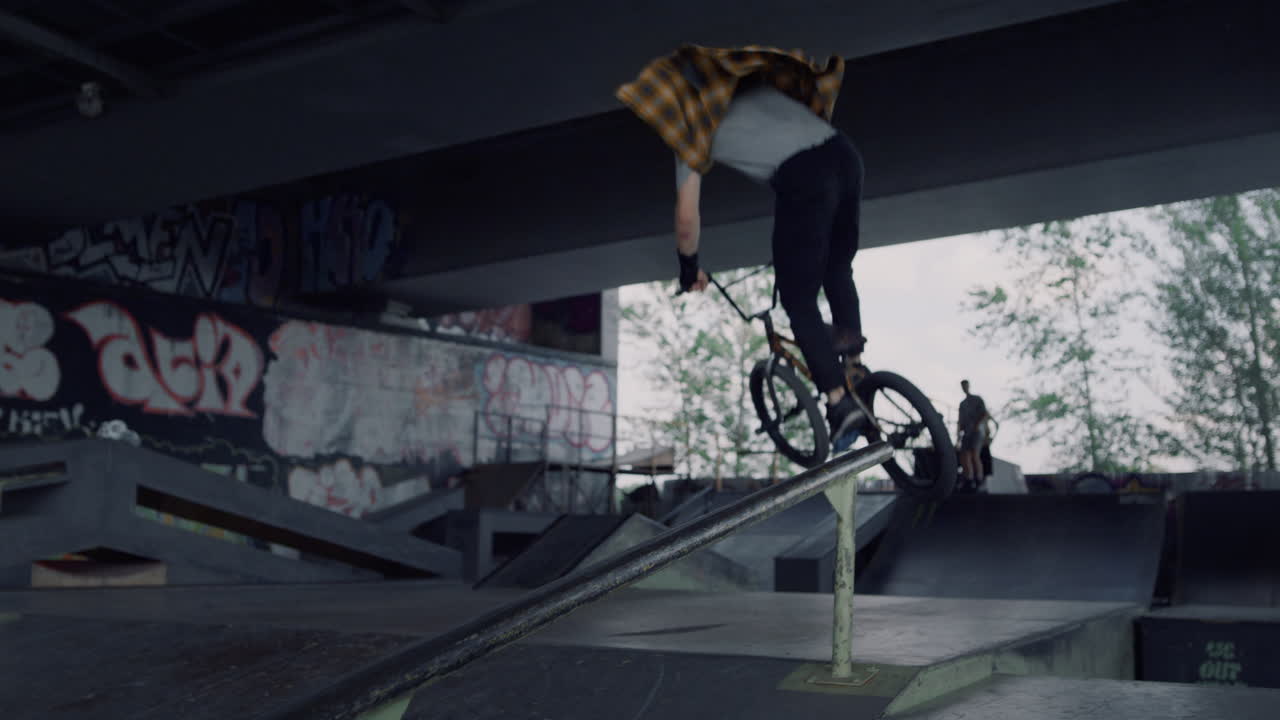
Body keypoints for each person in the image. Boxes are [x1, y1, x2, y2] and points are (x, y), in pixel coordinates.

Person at [616, 44, 867, 448]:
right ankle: (856, 368)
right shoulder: (761, 91)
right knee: (837, 268)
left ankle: (840, 402)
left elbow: (686, 217)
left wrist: (689, 267)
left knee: (798, 301)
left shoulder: (691, 131)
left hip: (804, 178)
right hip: (846, 156)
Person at [957, 380, 990, 488]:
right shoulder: (962, 404)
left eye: (965, 386)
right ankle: (969, 478)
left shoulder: (977, 399)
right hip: (967, 432)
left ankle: (979, 478)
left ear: (968, 386)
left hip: (977, 432)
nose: (964, 388)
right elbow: (960, 421)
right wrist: (959, 433)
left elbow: (984, 414)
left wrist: (978, 426)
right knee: (965, 455)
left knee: (975, 454)